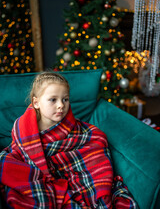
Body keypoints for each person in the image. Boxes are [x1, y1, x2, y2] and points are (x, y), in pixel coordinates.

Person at [0, 72, 138, 208]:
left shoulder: (75, 130)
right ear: (36, 103)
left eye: (65, 99)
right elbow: (19, 153)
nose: (61, 105)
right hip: (41, 175)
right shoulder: (24, 128)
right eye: (53, 100)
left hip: (68, 171)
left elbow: (93, 142)